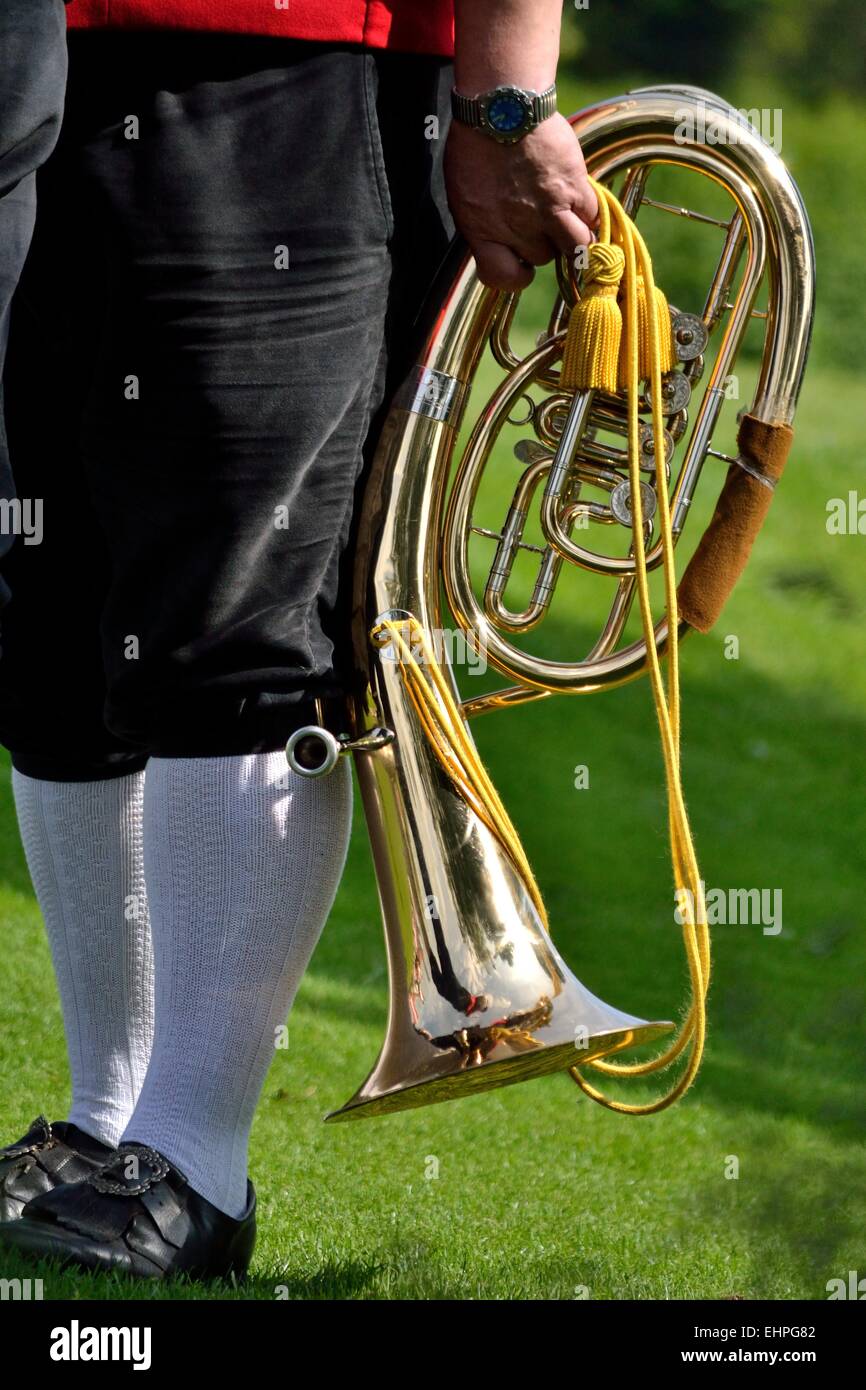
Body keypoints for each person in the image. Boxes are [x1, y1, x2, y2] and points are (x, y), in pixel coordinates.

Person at [0, 0, 597, 1279]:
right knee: (59, 619)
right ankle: (105, 1122)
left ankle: (192, 1160)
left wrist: (506, 94)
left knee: (239, 606)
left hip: (299, 64)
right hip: (50, 59)